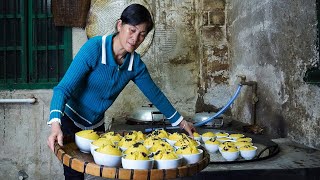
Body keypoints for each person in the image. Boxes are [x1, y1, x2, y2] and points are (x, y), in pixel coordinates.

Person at [47, 3, 196, 180]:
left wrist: (181, 122)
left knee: (99, 172)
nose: (135, 38)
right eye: (132, 30)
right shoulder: (94, 48)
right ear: (120, 25)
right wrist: (55, 124)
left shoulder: (135, 65)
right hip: (70, 122)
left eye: (142, 34)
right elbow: (62, 89)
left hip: (96, 125)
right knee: (74, 175)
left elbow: (155, 95)